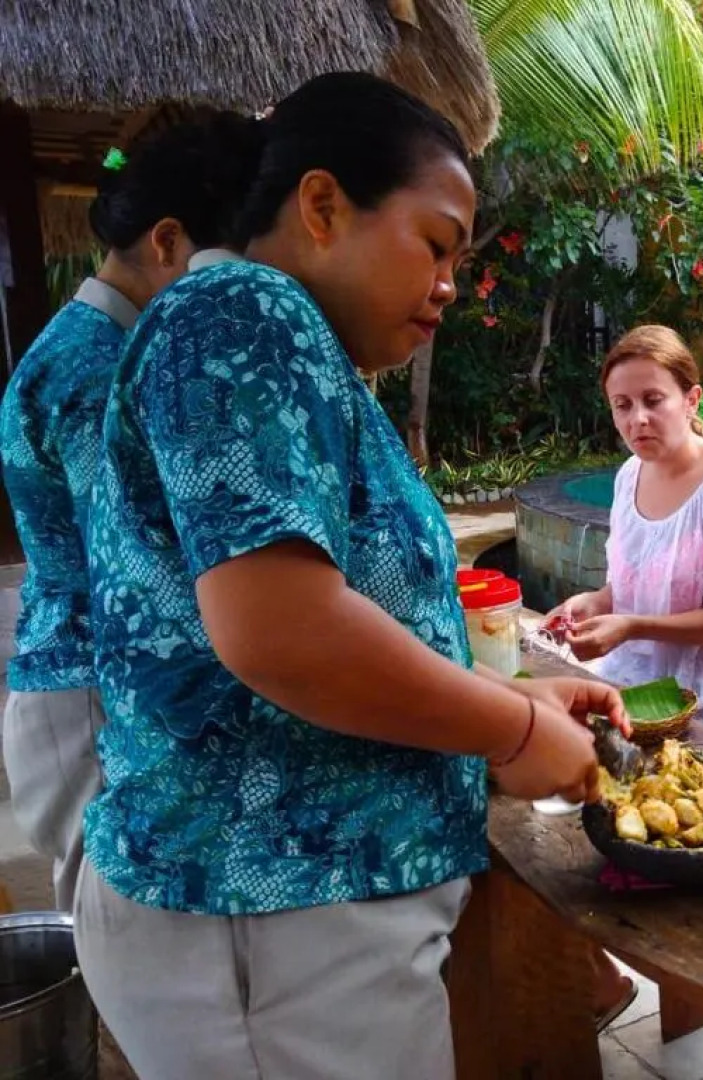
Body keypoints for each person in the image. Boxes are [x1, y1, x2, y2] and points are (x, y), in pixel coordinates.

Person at [76, 72, 623, 1080]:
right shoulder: (243, 309)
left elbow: (334, 620)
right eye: (437, 242)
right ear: (322, 206)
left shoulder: (296, 348)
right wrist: (507, 728)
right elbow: (281, 630)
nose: (452, 282)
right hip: (263, 917)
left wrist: (511, 699)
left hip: (295, 930)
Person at [0, 112, 263, 912]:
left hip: (85, 675)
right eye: (228, 264)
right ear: (169, 243)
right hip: (90, 686)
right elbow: (136, 561)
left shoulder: (94, 349)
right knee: (113, 920)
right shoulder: (97, 373)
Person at [548, 325, 703, 732]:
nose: (637, 419)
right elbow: (633, 587)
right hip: (627, 687)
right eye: (622, 405)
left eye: (653, 400)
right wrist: (595, 603)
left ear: (692, 400)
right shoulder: (628, 477)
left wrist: (632, 626)